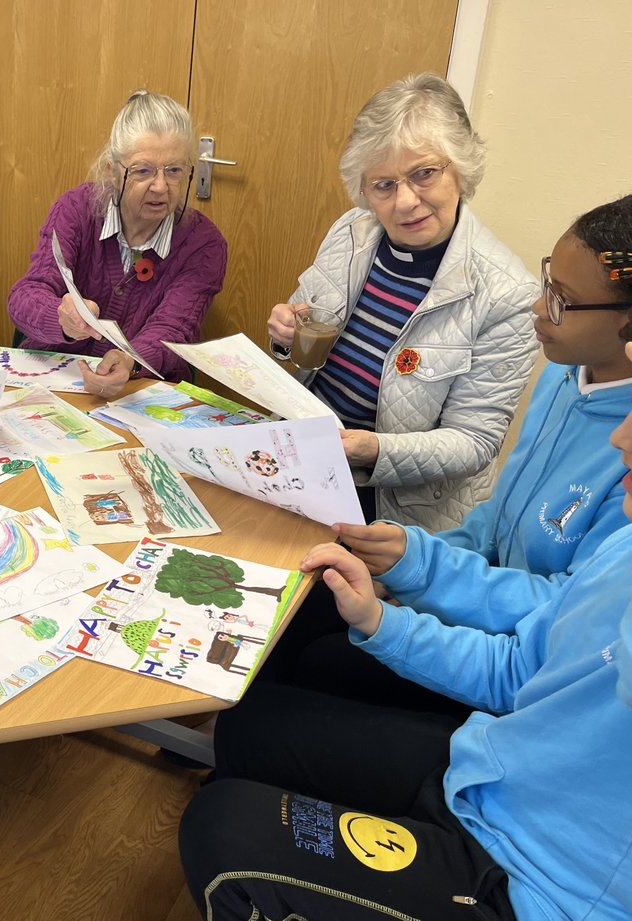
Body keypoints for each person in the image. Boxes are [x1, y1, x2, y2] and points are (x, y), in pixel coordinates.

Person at [178, 344, 632, 919]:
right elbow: (520, 667)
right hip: (490, 777)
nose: (619, 441)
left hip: (536, 884)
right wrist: (382, 618)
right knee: (251, 724)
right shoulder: (623, 548)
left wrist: (427, 577)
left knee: (223, 832)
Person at [270, 195, 632, 707]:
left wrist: (425, 576)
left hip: (509, 660)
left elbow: (558, 619)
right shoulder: (564, 374)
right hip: (475, 600)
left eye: (561, 300)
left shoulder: (624, 454)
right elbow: (502, 519)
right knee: (304, 624)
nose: (537, 307)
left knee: (305, 668)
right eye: (547, 283)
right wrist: (413, 559)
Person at [267, 73, 538, 529]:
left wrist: (371, 449)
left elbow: (474, 442)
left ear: (461, 168)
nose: (406, 202)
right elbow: (301, 342)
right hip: (306, 458)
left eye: (424, 174)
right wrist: (285, 334)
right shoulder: (352, 231)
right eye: (383, 185)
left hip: (397, 510)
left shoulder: (507, 294)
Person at [7, 89, 228, 398]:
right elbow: (25, 296)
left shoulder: (203, 244)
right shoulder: (76, 210)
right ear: (112, 171)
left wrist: (130, 359)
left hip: (140, 393)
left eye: (175, 170)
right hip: (58, 382)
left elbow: (175, 330)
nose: (161, 187)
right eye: (143, 171)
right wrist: (62, 317)